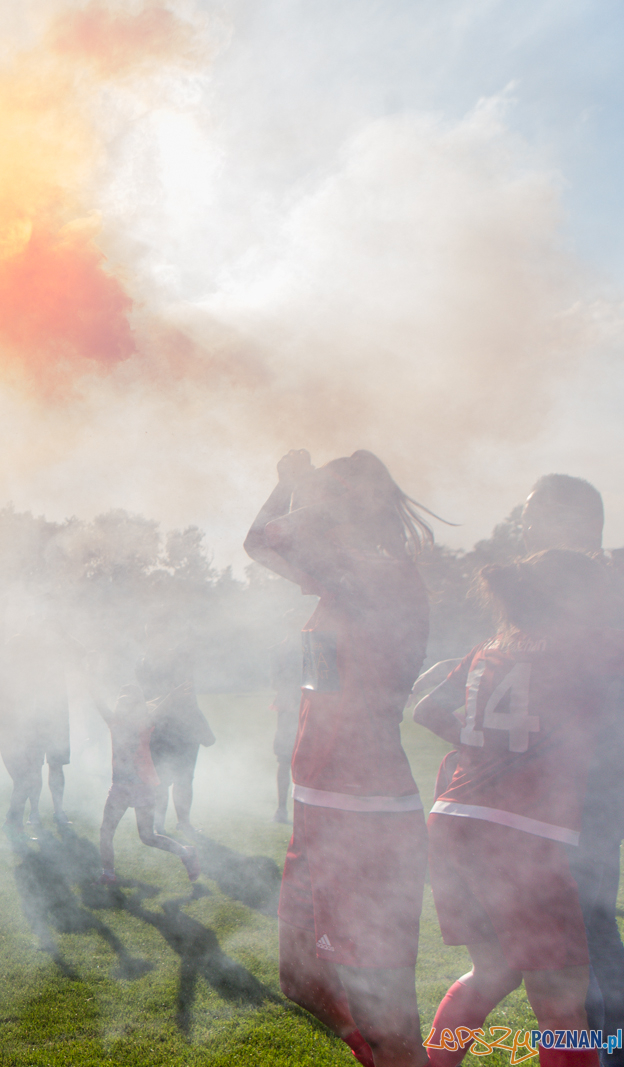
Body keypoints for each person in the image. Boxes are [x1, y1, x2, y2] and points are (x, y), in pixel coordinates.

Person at [244, 449, 436, 1067]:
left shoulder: (383, 573)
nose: (321, 507)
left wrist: (300, 493)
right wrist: (286, 488)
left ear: (360, 506)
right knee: (302, 981)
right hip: (318, 808)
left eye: (335, 496)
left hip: (367, 814)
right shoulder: (342, 577)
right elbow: (261, 542)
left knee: (388, 1012)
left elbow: (276, 541)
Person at [412, 550, 622, 1067]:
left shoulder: (491, 645)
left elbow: (425, 705)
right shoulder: (588, 649)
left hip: (454, 820)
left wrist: (480, 747)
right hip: (520, 837)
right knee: (561, 1002)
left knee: (495, 970)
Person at [519, 475, 624, 1063]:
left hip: (590, 787)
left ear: (581, 523)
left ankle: (610, 1048)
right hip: (550, 791)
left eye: (536, 515)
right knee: (567, 929)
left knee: (584, 924)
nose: (525, 525)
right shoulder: (547, 592)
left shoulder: (603, 591)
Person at [95, 685, 201, 884]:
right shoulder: (114, 722)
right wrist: (86, 675)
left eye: (129, 702)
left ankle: (186, 853)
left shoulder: (145, 723)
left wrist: (172, 694)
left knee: (147, 837)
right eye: (122, 700)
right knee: (106, 832)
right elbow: (98, 702)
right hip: (119, 787)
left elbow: (161, 707)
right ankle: (108, 874)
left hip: (143, 787)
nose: (124, 705)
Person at [0, 620, 74, 843]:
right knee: (25, 780)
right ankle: (15, 824)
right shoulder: (11, 675)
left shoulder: (24, 673)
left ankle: (14, 825)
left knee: (25, 780)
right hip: (15, 734)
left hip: (23, 732)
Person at [138, 649, 215, 837]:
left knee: (185, 778)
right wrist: (171, 696)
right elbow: (149, 701)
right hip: (161, 727)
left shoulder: (182, 658)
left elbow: (189, 698)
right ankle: (159, 824)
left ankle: (184, 823)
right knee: (161, 780)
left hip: (187, 728)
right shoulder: (145, 664)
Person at [270, 625, 303, 824]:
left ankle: (294, 808)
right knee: (284, 760)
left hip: (306, 707)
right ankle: (282, 808)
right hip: (289, 711)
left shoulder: (312, 646)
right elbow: (274, 682)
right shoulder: (278, 650)